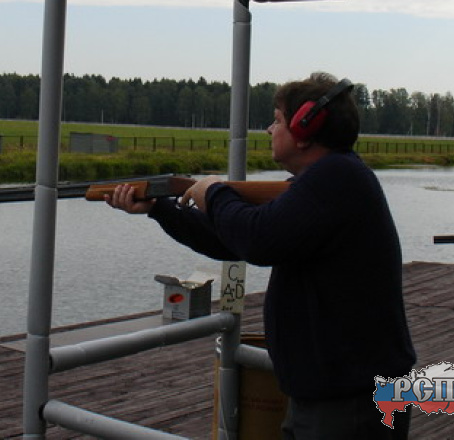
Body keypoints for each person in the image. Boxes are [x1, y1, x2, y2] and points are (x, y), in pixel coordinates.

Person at [105, 72, 416, 440]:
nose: (269, 129)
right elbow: (233, 239)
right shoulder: (329, 178)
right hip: (331, 391)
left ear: (305, 128)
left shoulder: (336, 177)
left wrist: (214, 193)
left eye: (278, 120)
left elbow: (257, 238)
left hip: (349, 401)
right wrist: (161, 209)